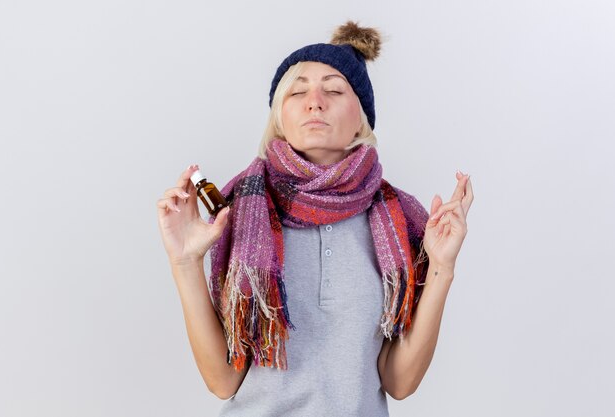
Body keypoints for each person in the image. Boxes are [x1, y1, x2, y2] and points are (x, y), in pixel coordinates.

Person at [157, 21, 473, 417]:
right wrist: (185, 262)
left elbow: (399, 382)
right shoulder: (239, 213)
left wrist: (442, 267)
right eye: (298, 90)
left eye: (335, 89)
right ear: (280, 118)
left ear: (362, 118)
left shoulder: (399, 222)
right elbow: (223, 382)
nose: (315, 101)